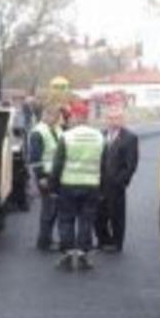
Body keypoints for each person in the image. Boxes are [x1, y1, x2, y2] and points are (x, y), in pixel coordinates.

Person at [49, 101, 105, 271]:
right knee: (86, 220)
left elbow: (58, 164)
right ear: (87, 117)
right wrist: (102, 188)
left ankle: (67, 255)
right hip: (91, 185)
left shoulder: (67, 136)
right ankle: (82, 256)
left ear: (74, 116)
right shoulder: (99, 137)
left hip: (68, 184)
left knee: (66, 220)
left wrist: (53, 187)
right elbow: (104, 164)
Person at [95, 97, 138, 252]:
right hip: (99, 182)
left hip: (116, 184)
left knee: (117, 216)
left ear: (122, 119)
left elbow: (131, 165)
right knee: (99, 215)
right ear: (106, 120)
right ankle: (103, 240)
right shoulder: (100, 135)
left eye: (117, 118)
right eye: (111, 118)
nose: (114, 121)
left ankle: (116, 243)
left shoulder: (130, 138)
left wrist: (121, 182)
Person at [29, 101, 63, 251]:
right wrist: (41, 177)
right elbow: (35, 158)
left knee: (53, 209)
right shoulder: (38, 132)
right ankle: (43, 242)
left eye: (57, 116)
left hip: (56, 175)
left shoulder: (56, 128)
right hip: (46, 175)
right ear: (46, 115)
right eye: (54, 116)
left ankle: (47, 239)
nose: (56, 119)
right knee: (49, 209)